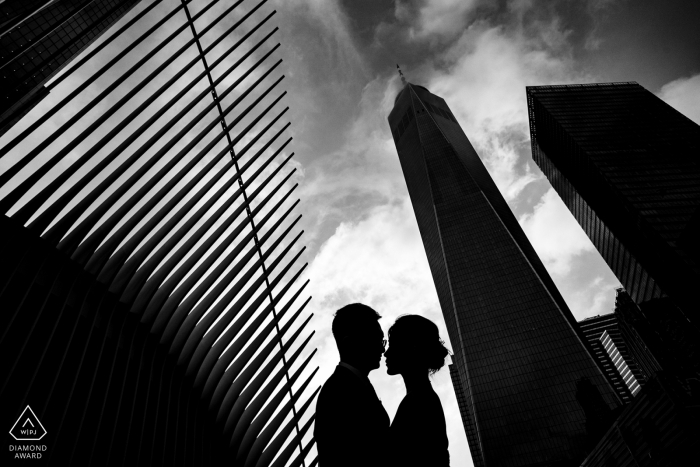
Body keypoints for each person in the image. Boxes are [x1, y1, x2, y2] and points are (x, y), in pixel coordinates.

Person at [314, 303, 390, 467]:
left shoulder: (353, 385)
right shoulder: (339, 391)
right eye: (375, 339)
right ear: (350, 343)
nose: (382, 349)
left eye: (381, 340)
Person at [384, 314, 450, 466]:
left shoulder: (420, 401)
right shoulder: (422, 398)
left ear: (412, 348)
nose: (386, 353)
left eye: (392, 345)